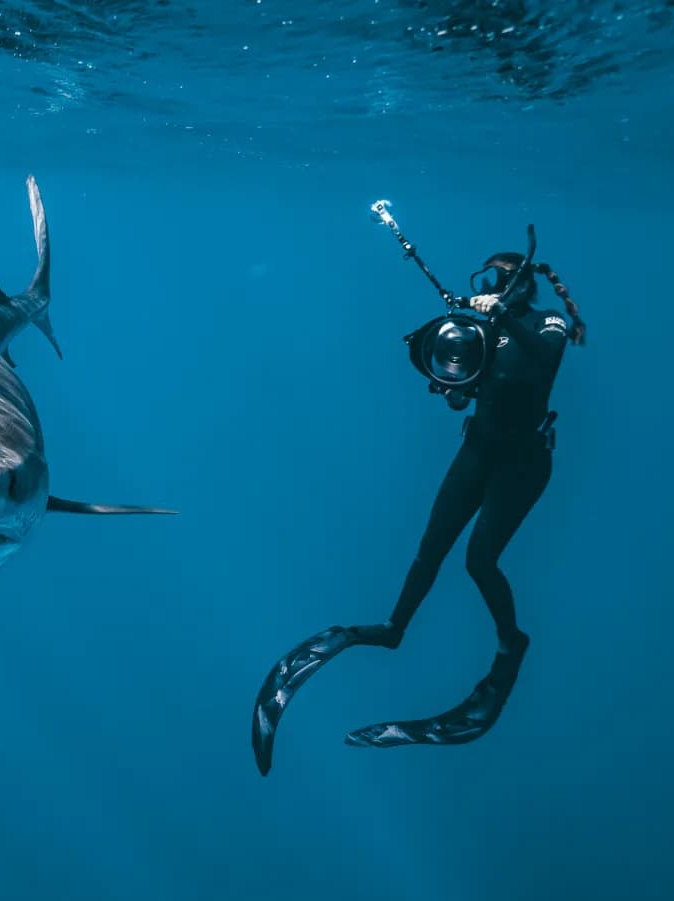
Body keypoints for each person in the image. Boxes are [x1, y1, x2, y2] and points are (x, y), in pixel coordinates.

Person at [251, 250, 586, 774]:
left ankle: (511, 642)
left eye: (498, 280)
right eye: (487, 280)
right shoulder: (485, 330)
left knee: (479, 561)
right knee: (430, 548)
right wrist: (456, 380)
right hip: (477, 452)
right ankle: (393, 628)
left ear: (521, 283)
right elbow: (468, 384)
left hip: (523, 463)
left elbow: (542, 365)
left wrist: (496, 317)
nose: (491, 286)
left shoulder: (549, 324)